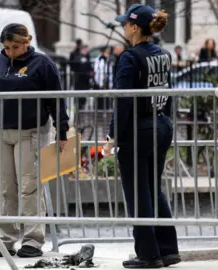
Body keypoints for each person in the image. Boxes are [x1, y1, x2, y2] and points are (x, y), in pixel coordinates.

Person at [0, 23, 70, 258]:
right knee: (3, 187)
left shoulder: (43, 64)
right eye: (6, 47)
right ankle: (6, 237)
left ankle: (33, 240)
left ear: (27, 42)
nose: (11, 52)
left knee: (29, 186)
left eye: (15, 47)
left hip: (31, 132)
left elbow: (57, 99)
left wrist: (62, 130)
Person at [102, 4, 181, 268]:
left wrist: (113, 136)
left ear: (135, 28)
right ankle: (168, 248)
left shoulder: (129, 57)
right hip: (160, 125)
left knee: (139, 193)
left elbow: (122, 101)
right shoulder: (163, 54)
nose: (124, 27)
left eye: (126, 24)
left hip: (138, 129)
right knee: (153, 188)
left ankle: (148, 255)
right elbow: (166, 92)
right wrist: (164, 120)